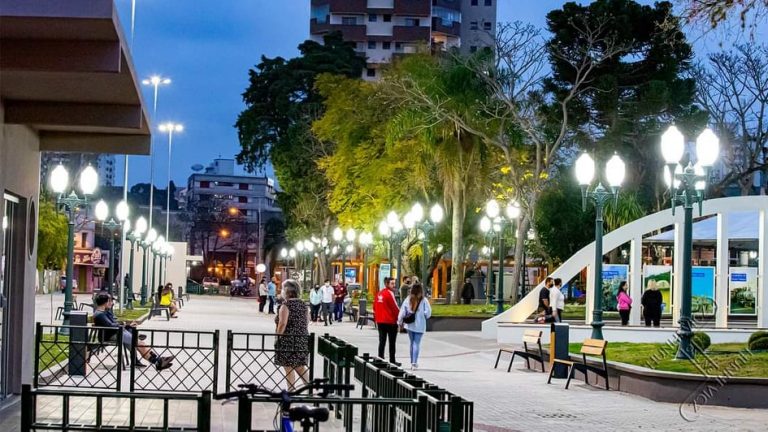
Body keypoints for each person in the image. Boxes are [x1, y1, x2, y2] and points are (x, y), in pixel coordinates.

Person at [92, 293, 174, 370]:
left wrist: (127, 324)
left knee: (138, 343)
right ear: (105, 302)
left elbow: (114, 323)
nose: (111, 303)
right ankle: (158, 361)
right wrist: (124, 324)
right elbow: (111, 325)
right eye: (110, 301)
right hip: (112, 335)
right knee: (140, 343)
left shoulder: (103, 312)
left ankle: (157, 361)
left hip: (117, 333)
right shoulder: (100, 314)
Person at [274, 280, 310, 390]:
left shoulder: (286, 305)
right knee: (300, 367)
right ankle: (310, 389)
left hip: (288, 340)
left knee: (288, 367)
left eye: (282, 288)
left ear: (287, 291)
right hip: (302, 339)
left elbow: (282, 323)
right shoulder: (303, 305)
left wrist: (278, 337)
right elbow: (307, 321)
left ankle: (290, 391)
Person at [397, 283, 432, 370]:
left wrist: (399, 322)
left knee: (412, 343)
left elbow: (402, 312)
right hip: (420, 325)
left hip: (409, 325)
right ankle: (414, 363)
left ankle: (412, 361)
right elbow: (428, 313)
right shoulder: (424, 300)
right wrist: (423, 315)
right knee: (416, 343)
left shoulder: (408, 299)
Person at [374, 277, 400, 364]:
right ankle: (392, 360)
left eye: (394, 283)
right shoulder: (389, 293)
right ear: (387, 284)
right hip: (390, 321)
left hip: (380, 321)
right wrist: (399, 319)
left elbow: (374, 307)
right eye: (392, 283)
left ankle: (380, 358)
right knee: (392, 342)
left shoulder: (379, 294)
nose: (394, 285)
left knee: (382, 341)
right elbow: (395, 308)